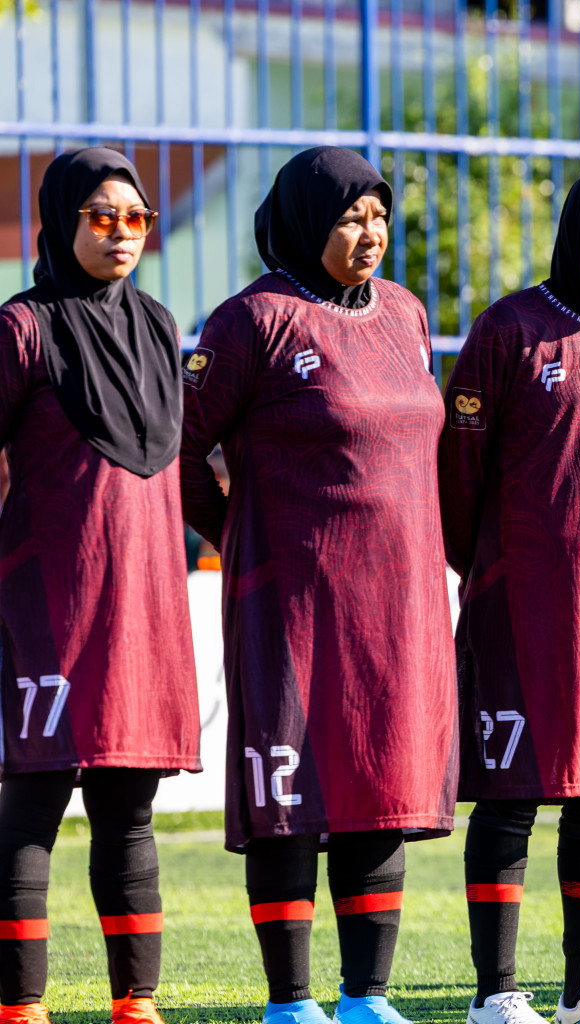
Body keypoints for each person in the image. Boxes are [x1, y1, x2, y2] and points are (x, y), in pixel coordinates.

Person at [180, 147, 457, 1024]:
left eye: (378, 215)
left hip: (400, 603)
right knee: (291, 792)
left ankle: (367, 998)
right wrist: (243, 535)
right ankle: (291, 1002)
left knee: (381, 784)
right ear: (306, 222)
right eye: (349, 217)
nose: (368, 233)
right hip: (289, 605)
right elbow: (179, 452)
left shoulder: (408, 316)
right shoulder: (250, 322)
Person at [438, 165, 580, 1024]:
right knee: (512, 795)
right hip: (521, 605)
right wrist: (494, 565)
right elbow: (455, 475)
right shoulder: (511, 329)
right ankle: (495, 994)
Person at [0, 148, 198, 1024]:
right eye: (102, 217)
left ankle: (135, 1003)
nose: (124, 234)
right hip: (46, 598)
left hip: (143, 598)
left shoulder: (159, 324)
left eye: (139, 219)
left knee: (128, 804)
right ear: (61, 220)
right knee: (36, 797)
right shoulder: (20, 326)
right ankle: (21, 1007)